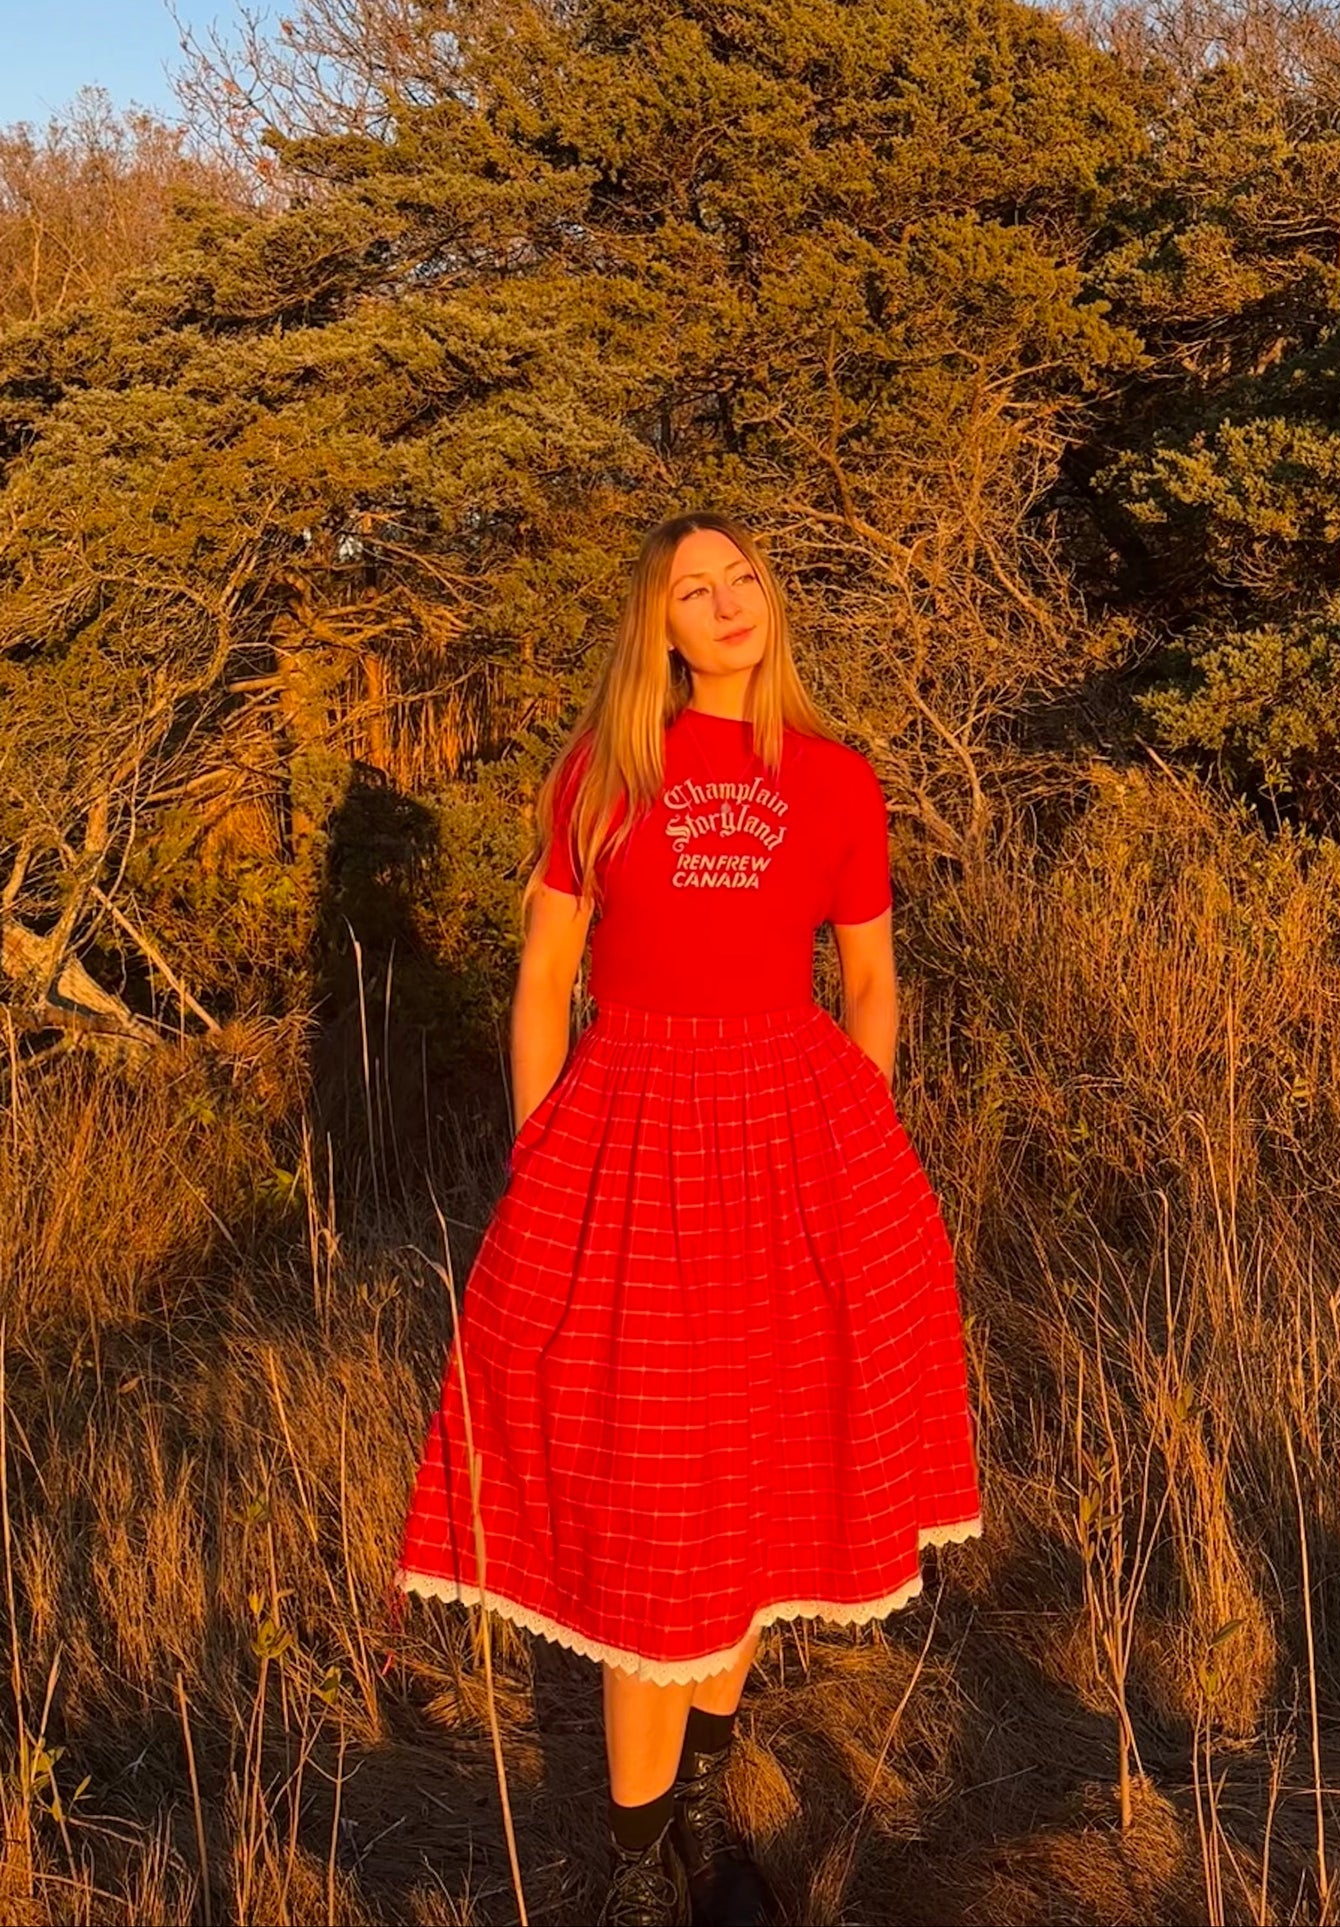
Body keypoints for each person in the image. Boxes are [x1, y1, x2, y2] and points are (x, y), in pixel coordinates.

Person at [395, 510, 982, 1927]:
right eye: (691, 590)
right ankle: (630, 1860)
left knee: (755, 1485)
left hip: (794, 1135)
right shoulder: (607, 770)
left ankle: (705, 1813)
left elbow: (872, 979)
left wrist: (859, 1127)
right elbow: (543, 975)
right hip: (632, 1128)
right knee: (655, 1499)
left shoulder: (836, 779)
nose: (726, 605)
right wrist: (541, 1156)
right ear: (655, 628)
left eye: (741, 580)